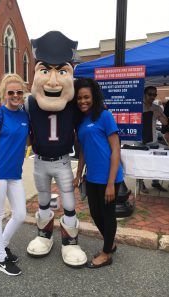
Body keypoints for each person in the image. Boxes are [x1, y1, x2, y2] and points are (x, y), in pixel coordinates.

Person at [26, 31, 87, 267]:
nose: (52, 81)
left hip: (63, 160)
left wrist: (81, 167)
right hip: (40, 160)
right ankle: (44, 235)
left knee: (69, 202)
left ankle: (70, 242)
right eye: (45, 71)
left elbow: (84, 130)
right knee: (43, 198)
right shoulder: (30, 102)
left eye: (61, 71)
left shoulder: (73, 101)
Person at [73, 77, 123, 269]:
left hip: (110, 176)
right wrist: (78, 173)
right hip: (92, 176)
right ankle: (110, 242)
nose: (83, 101)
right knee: (95, 213)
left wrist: (111, 183)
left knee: (108, 214)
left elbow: (116, 150)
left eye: (86, 97)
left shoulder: (105, 116)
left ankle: (106, 253)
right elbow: (84, 150)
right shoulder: (82, 121)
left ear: (94, 97)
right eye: (79, 98)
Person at [0, 73, 29, 276]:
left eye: (19, 92)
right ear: (4, 93)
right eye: (11, 92)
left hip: (14, 174)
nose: (15, 95)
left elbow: (25, 142)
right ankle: (1, 259)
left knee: (20, 214)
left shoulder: (24, 115)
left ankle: (1, 246)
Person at [140, 86, 168, 193]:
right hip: (139, 140)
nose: (152, 96)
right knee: (140, 163)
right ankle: (141, 183)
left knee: (157, 162)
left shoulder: (157, 108)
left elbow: (165, 123)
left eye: (154, 94)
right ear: (144, 94)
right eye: (150, 94)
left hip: (153, 139)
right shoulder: (138, 106)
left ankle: (155, 182)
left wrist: (160, 114)